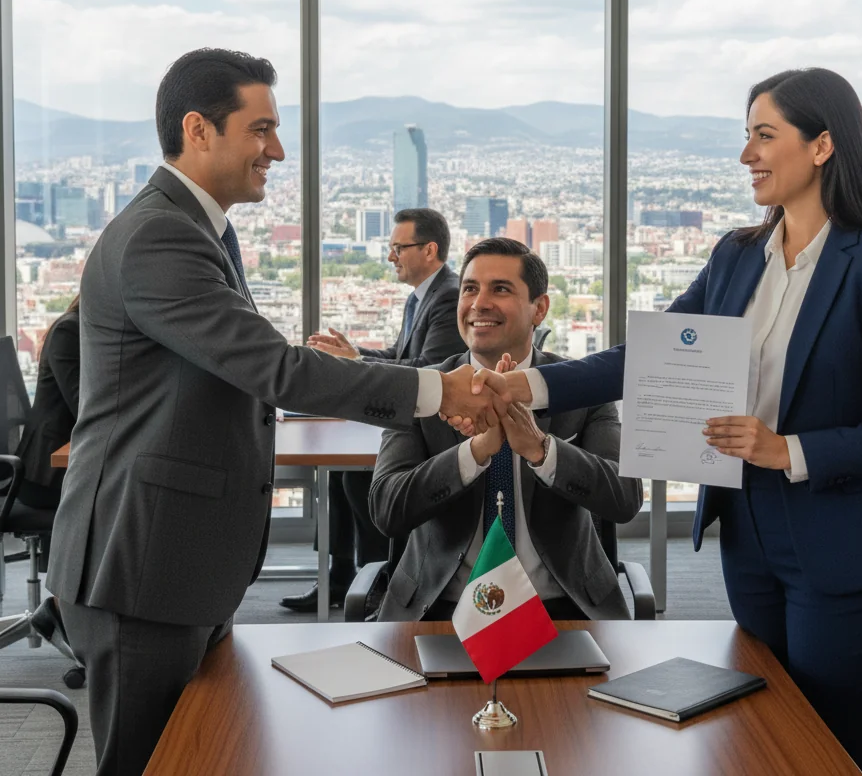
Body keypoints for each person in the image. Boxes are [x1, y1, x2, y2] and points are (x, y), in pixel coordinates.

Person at [457, 68, 862, 776]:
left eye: (764, 136)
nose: (747, 154)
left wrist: (789, 449)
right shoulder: (738, 256)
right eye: (746, 136)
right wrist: (520, 385)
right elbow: (641, 359)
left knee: (829, 744)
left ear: (823, 146)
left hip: (841, 542)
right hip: (749, 530)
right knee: (760, 731)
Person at [44, 47, 503, 776]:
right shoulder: (160, 236)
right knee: (148, 763)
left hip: (179, 558)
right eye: (261, 130)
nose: (277, 151)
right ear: (198, 129)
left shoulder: (200, 230)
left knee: (195, 755)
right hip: (139, 565)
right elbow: (273, 369)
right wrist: (435, 391)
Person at [366, 237, 642, 621]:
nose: (480, 304)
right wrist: (474, 452)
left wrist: (541, 450)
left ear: (539, 309)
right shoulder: (422, 389)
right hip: (441, 608)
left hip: (562, 607)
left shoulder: (582, 389)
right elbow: (387, 509)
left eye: (500, 289)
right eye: (470, 289)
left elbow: (625, 498)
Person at [281, 208, 466, 612]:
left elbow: (429, 371)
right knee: (341, 477)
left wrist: (358, 366)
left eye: (399, 248)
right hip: (409, 412)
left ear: (430, 250)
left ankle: (380, 578)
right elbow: (401, 356)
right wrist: (357, 355)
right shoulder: (422, 297)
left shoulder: (448, 295)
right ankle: (341, 574)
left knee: (356, 481)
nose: (390, 257)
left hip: (432, 427)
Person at [16, 296, 80, 509]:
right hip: (44, 477)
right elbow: (84, 406)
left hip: (67, 468)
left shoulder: (84, 331)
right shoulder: (69, 331)